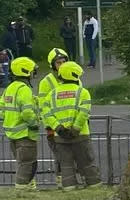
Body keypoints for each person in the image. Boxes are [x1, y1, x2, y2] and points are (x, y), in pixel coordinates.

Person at [40, 61, 102, 190]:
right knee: (87, 163)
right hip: (81, 135)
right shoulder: (82, 92)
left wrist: (58, 128)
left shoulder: (52, 94)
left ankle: (69, 188)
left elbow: (46, 113)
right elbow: (84, 112)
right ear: (74, 75)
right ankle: (94, 186)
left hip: (60, 137)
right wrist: (76, 128)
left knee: (66, 165)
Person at [0, 57, 40, 190]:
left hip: (12, 134)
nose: (34, 74)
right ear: (26, 72)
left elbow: (2, 111)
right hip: (25, 134)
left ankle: (26, 188)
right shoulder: (24, 89)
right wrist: (35, 123)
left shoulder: (9, 88)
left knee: (22, 163)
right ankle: (21, 191)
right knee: (27, 165)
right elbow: (27, 113)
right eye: (33, 71)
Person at [39, 48, 70, 187]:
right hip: (55, 128)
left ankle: (71, 182)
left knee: (75, 157)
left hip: (73, 127)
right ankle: (61, 183)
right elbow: (43, 108)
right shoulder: (46, 82)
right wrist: (50, 127)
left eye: (64, 61)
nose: (62, 65)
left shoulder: (73, 77)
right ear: (53, 65)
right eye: (58, 63)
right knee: (61, 157)